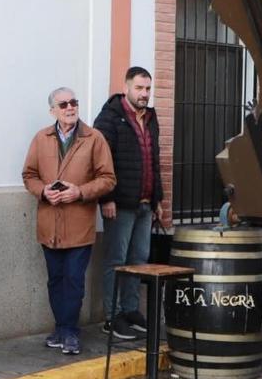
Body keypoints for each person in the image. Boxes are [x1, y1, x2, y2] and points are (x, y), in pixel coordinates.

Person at [22, 88, 115, 356]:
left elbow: (108, 178)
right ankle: (60, 328)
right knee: (55, 280)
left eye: (74, 102)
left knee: (74, 280)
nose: (70, 108)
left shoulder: (94, 138)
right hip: (49, 223)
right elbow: (29, 174)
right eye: (63, 104)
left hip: (78, 224)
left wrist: (80, 192)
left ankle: (71, 331)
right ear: (53, 110)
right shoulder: (41, 138)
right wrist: (43, 190)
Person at [94, 66, 168, 340]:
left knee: (139, 260)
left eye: (148, 88)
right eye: (139, 88)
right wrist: (106, 198)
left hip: (146, 204)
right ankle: (111, 318)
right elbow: (101, 161)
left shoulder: (150, 117)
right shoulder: (110, 118)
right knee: (116, 260)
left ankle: (131, 310)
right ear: (127, 87)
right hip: (120, 204)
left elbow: (154, 160)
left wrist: (158, 198)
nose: (144, 94)